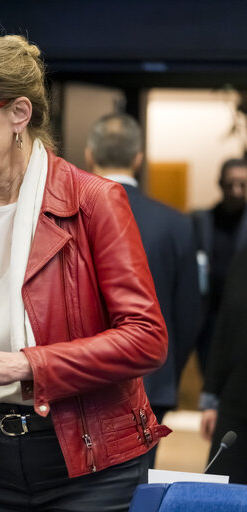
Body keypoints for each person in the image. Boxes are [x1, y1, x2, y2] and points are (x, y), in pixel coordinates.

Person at [0, 32, 169, 512]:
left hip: (91, 463)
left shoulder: (93, 202)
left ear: (19, 113)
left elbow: (146, 338)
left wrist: (25, 363)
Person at [85, 113, 200, 441]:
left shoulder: (70, 215)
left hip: (81, 381)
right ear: (138, 159)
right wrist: (169, 366)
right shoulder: (176, 223)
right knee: (140, 485)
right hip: (152, 379)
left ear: (90, 154)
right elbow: (189, 311)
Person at [191, 158, 247, 373]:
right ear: (220, 183)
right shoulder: (202, 220)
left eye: (242, 184)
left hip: (241, 315)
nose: (236, 190)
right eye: (231, 183)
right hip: (209, 316)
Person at [199, 246, 247, 483]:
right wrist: (211, 398)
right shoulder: (244, 256)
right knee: (222, 491)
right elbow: (225, 326)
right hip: (236, 401)